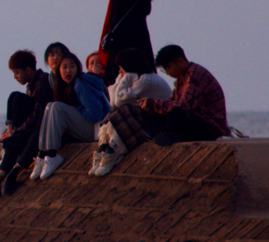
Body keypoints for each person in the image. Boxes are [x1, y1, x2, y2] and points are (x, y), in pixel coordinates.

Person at [92, 45, 229, 177]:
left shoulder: (196, 75)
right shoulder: (181, 78)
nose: (168, 73)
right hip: (191, 120)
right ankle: (164, 134)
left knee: (176, 114)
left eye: (167, 68)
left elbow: (185, 106)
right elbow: (171, 100)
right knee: (147, 111)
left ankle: (172, 135)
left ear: (180, 61)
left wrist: (154, 103)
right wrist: (151, 106)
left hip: (208, 125)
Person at [0, 50, 54, 198]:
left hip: (40, 129)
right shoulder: (31, 85)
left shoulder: (43, 82)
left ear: (28, 70)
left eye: (16, 72)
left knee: (16, 99)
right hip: (28, 129)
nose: (15, 77)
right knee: (15, 97)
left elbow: (38, 115)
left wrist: (17, 131)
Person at [90, 48, 172, 175]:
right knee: (114, 112)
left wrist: (124, 78)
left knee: (126, 110)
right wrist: (120, 79)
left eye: (121, 68)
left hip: (160, 123)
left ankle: (114, 151)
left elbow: (119, 101)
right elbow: (113, 102)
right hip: (150, 118)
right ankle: (104, 149)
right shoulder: (138, 79)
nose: (119, 72)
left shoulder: (147, 80)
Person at [31, 52, 110, 180]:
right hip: (89, 127)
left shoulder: (80, 84)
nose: (68, 70)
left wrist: (76, 108)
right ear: (59, 70)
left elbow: (96, 114)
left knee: (57, 107)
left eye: (72, 67)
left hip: (96, 130)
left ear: (78, 68)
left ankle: (52, 155)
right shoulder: (67, 85)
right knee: (50, 106)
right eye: (65, 67)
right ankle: (43, 155)